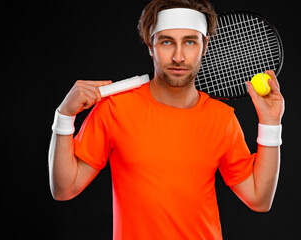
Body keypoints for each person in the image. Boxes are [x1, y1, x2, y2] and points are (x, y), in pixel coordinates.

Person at [48, 0, 285, 239]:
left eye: (190, 42)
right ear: (151, 45)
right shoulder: (114, 109)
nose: (179, 57)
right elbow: (64, 189)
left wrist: (270, 122)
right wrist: (64, 117)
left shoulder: (222, 119)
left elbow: (259, 199)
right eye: (167, 42)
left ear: (204, 46)